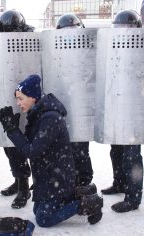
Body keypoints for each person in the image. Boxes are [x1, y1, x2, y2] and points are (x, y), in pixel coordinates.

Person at [0, 74, 103, 227]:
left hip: (58, 178)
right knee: (37, 211)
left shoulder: (50, 118)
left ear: (32, 97)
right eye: (17, 99)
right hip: (46, 176)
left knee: (43, 219)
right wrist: (13, 128)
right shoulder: (36, 114)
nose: (18, 103)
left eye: (20, 98)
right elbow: (26, 146)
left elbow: (32, 151)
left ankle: (89, 203)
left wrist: (13, 131)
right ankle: (80, 194)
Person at [100, 10, 144, 213]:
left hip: (135, 114)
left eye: (126, 28)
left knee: (131, 156)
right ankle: (119, 183)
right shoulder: (115, 48)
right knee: (116, 151)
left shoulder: (143, 48)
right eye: (119, 29)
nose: (123, 33)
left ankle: (133, 197)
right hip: (118, 111)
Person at [0, 9, 33, 209]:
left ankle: (24, 187)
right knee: (9, 149)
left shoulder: (30, 41)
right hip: (5, 97)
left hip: (25, 102)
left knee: (19, 149)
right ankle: (18, 180)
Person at [55, 13, 94, 187]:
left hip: (81, 109)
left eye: (74, 31)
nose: (71, 37)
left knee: (80, 149)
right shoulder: (55, 52)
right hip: (62, 107)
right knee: (64, 150)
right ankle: (70, 182)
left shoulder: (88, 51)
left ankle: (84, 181)